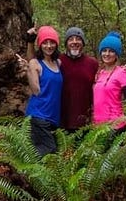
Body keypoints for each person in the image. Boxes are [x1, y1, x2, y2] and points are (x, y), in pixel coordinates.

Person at [21, 25, 63, 156]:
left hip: (52, 118)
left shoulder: (58, 63)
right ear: (40, 45)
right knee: (49, 150)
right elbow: (36, 91)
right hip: (38, 115)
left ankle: (26, 173)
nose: (49, 46)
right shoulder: (35, 64)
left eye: (52, 42)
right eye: (45, 42)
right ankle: (21, 172)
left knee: (48, 154)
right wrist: (28, 70)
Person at [92, 32, 126, 131]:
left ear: (116, 54)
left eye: (111, 51)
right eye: (104, 50)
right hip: (98, 126)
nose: (107, 54)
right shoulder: (99, 73)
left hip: (115, 126)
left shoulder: (121, 72)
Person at [59, 26, 99, 132]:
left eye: (78, 39)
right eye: (71, 39)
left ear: (83, 43)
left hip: (85, 121)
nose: (75, 42)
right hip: (61, 120)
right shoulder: (58, 61)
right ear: (66, 43)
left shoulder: (92, 63)